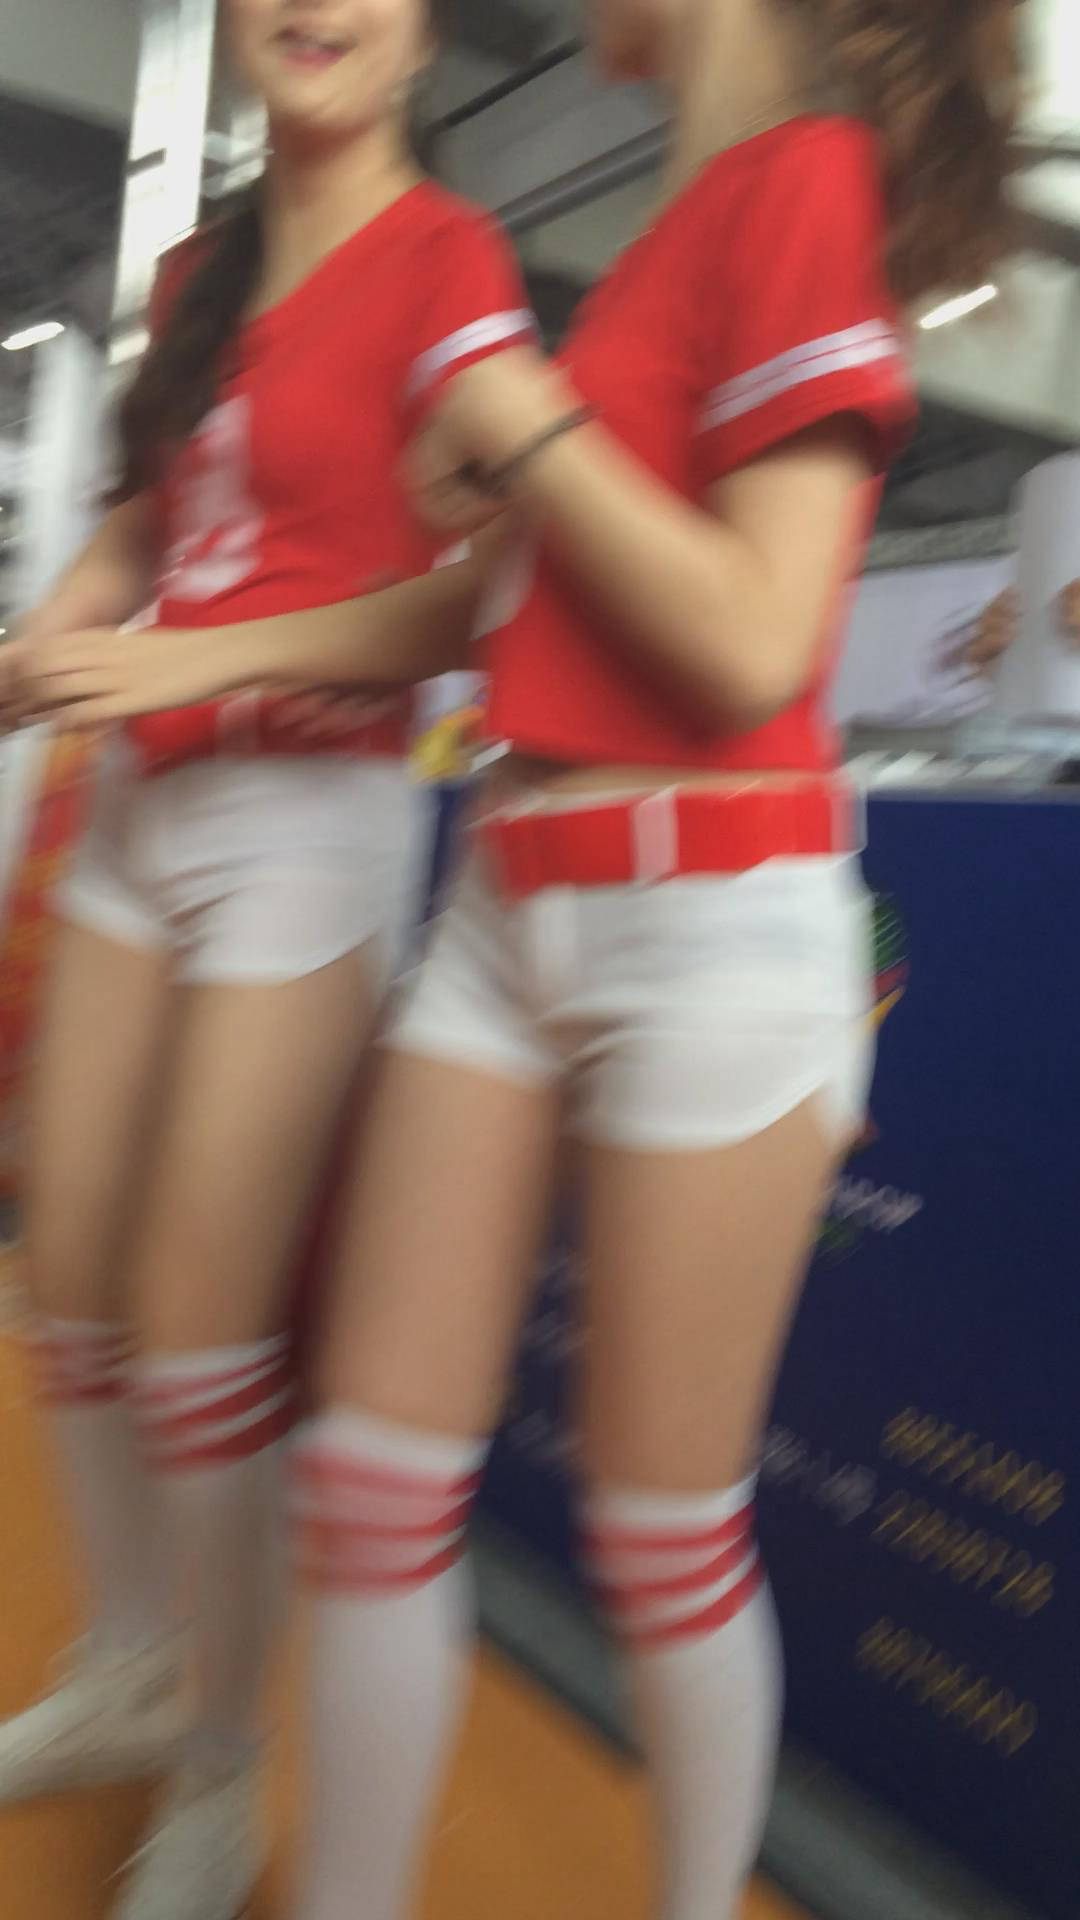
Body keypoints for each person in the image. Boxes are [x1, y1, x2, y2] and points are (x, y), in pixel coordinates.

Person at [286, 4, 1024, 1920]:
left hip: (708, 924)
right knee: (368, 1480)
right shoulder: (675, 233)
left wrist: (516, 418)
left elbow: (757, 638)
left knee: (660, 1530)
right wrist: (498, 469)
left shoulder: (804, 182)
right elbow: (520, 590)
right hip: (509, 900)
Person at [0, 1, 530, 1915]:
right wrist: (49, 638)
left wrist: (192, 656)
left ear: (424, 36)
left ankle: (223, 1752)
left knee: (201, 1321)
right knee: (71, 1268)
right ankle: (131, 1661)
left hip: (309, 818)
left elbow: (477, 594)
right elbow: (145, 522)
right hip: (143, 804)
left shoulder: (447, 261)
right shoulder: (199, 272)